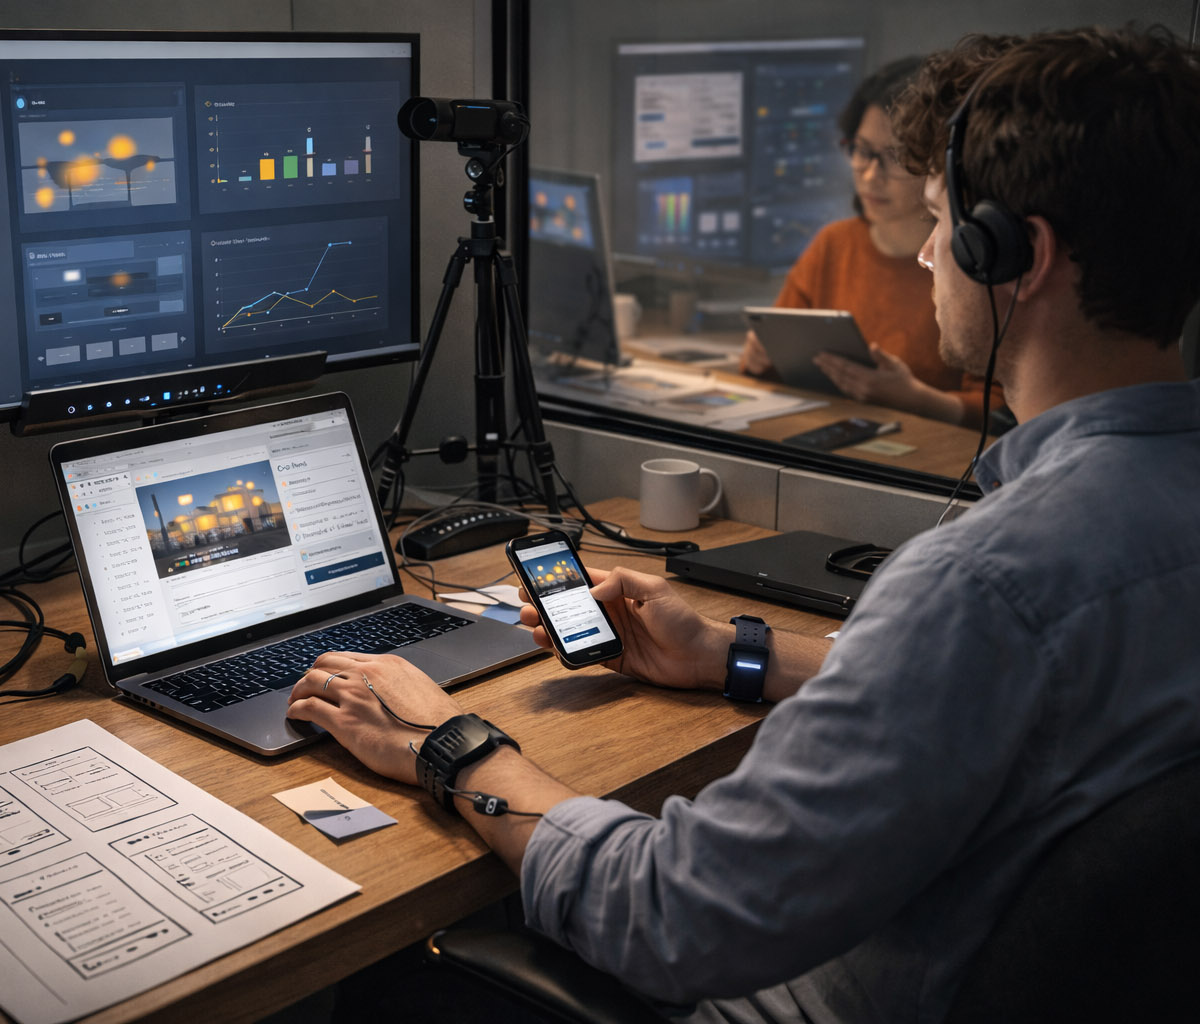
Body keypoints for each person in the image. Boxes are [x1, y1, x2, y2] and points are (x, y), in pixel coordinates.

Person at [289, 24, 1200, 1023]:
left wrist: (450, 743)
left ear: (1017, 255)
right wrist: (737, 652)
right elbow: (997, 701)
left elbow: (676, 915)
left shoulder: (984, 587)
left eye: (944, 222)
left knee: (392, 969)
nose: (933, 251)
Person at [738, 57, 998, 427]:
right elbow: (775, 375)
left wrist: (918, 400)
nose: (871, 175)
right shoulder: (835, 244)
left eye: (893, 157)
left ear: (939, 165)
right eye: (862, 151)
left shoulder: (967, 261)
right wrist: (761, 357)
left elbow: (1004, 412)